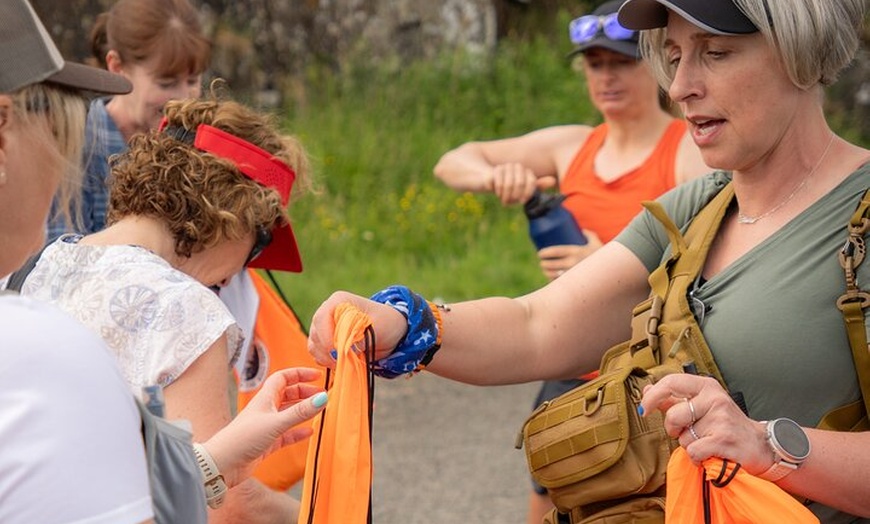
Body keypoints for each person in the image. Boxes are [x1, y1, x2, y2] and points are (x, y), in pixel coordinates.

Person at [309, 0, 870, 521]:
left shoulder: (859, 214)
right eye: (674, 57)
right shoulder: (693, 210)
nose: (679, 87)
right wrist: (408, 323)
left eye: (715, 53)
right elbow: (536, 327)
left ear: (802, 50)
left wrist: (767, 444)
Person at [0, 0, 328, 522]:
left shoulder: (40, 269)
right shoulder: (187, 311)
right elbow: (227, 508)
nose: (242, 270)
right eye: (260, 245)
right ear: (235, 217)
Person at [433, 2, 708, 519]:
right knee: (549, 489)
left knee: (649, 500)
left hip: (651, 363)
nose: (606, 76)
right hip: (571, 356)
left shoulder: (687, 150)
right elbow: (452, 161)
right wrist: (496, 177)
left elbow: (709, 262)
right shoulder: (572, 146)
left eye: (621, 62)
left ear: (654, 65)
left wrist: (606, 261)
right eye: (594, 63)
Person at [47, 0, 209, 239]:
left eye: (193, 81)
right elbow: (52, 260)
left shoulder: (199, 144)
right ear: (117, 66)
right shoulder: (77, 145)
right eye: (166, 83)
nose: (184, 99)